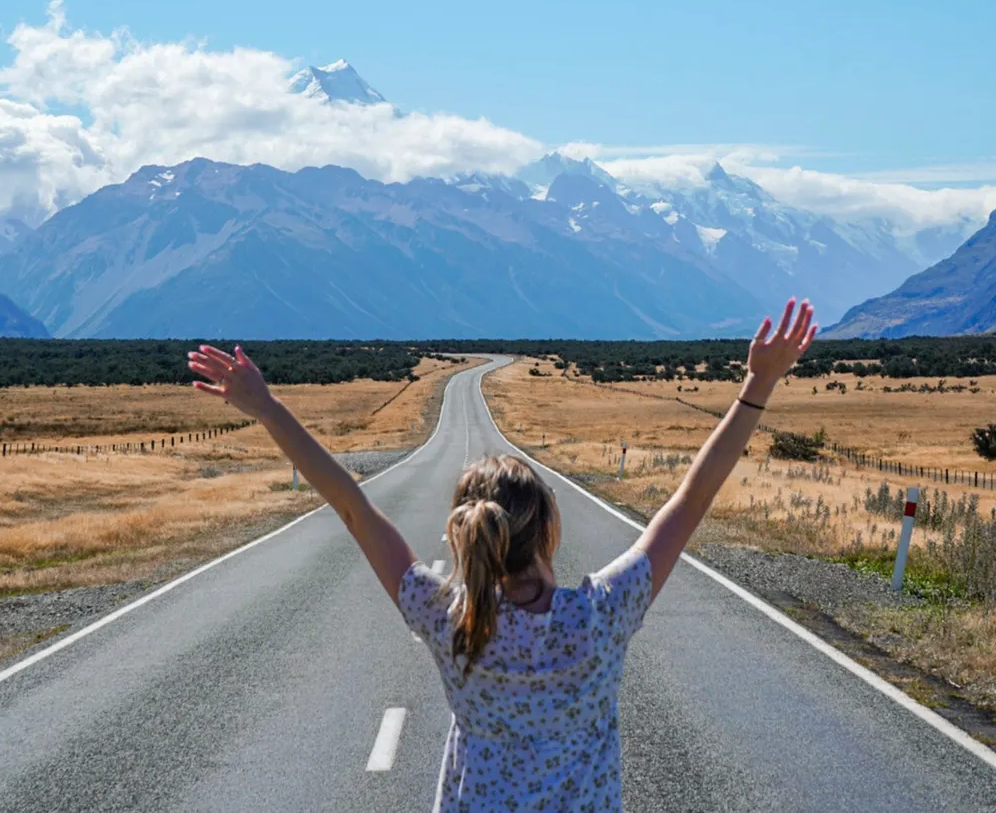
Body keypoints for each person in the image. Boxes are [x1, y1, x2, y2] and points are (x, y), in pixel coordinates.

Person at [188, 297, 817, 812]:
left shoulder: (450, 622)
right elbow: (690, 499)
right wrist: (757, 385)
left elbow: (352, 506)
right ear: (548, 528)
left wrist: (266, 407)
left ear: (465, 532)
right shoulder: (600, 617)